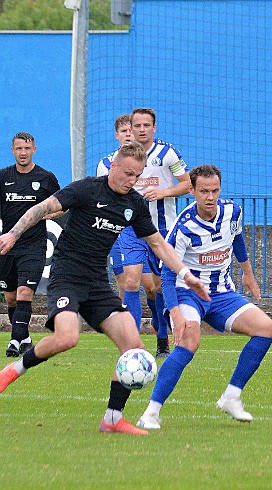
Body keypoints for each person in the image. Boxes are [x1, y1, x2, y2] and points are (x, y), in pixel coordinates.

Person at [0, 142, 209, 435]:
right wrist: (13, 233)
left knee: (133, 347)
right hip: (67, 277)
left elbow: (158, 243)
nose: (131, 180)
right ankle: (12, 371)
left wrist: (186, 273)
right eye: (127, 173)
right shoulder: (86, 189)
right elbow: (41, 209)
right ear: (113, 166)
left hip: (97, 283)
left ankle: (112, 419)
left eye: (137, 175)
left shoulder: (134, 203)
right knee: (67, 337)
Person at [137, 164, 272, 429]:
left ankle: (231, 396)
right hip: (185, 292)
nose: (210, 197)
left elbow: (237, 240)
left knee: (266, 329)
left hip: (221, 292)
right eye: (203, 192)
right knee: (190, 340)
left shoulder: (232, 211)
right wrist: (175, 313)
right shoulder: (183, 226)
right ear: (191, 191)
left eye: (214, 191)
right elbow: (168, 274)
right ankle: (151, 412)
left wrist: (247, 273)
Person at [122, 107, 191, 358]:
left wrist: (162, 193)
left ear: (154, 128)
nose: (141, 130)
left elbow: (187, 184)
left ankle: (162, 336)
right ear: (131, 129)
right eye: (137, 126)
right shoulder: (123, 156)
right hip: (131, 229)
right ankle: (130, 343)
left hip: (162, 229)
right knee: (132, 281)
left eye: (146, 125)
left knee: (158, 288)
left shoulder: (167, 153)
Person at [0, 132, 60, 357]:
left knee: (26, 292)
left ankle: (14, 341)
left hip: (34, 246)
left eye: (27, 148)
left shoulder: (45, 178)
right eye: (18, 149)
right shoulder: (3, 176)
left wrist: (48, 215)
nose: (23, 153)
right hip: (7, 245)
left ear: (34, 149)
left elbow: (62, 205)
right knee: (11, 297)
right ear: (12, 150)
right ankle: (24, 337)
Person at [96, 114, 134, 301]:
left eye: (130, 130)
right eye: (123, 131)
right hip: (117, 230)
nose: (128, 135)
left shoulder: (149, 161)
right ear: (116, 135)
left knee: (153, 286)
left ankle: (159, 323)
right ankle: (123, 319)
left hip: (143, 228)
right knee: (123, 279)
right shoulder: (105, 164)